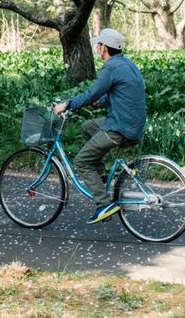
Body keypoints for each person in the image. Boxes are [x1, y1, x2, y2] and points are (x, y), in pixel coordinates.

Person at [53, 28, 146, 224]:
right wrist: (100, 102)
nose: (97, 48)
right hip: (131, 123)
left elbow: (92, 93)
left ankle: (104, 204)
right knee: (88, 126)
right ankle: (101, 175)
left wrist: (67, 104)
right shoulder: (128, 65)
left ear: (104, 47)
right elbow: (120, 94)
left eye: (98, 45)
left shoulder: (110, 67)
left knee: (81, 162)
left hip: (119, 127)